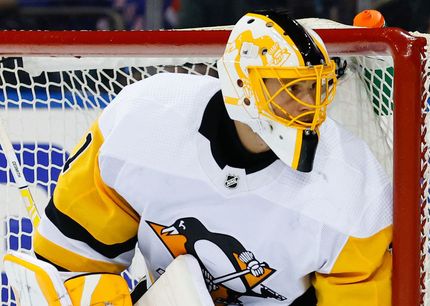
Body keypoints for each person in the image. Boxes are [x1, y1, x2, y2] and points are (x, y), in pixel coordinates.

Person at [31, 10, 393, 305]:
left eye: (316, 87)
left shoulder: (353, 186)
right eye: (290, 86)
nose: (308, 104)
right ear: (243, 83)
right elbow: (70, 262)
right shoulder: (146, 120)